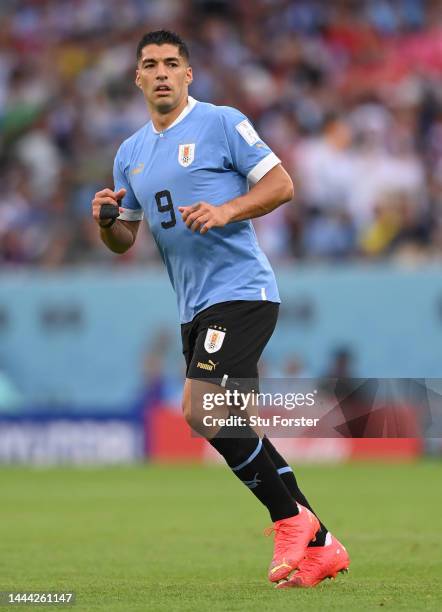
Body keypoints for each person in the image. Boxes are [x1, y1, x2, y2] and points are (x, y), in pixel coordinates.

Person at [91, 29, 349, 588]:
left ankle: (289, 518)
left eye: (171, 64)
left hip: (242, 292)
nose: (161, 72)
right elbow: (124, 240)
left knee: (202, 411)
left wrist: (228, 210)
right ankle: (322, 543)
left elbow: (282, 185)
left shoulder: (221, 122)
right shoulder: (130, 153)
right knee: (230, 421)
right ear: (137, 78)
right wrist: (109, 221)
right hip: (194, 308)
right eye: (150, 64)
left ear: (188, 75)